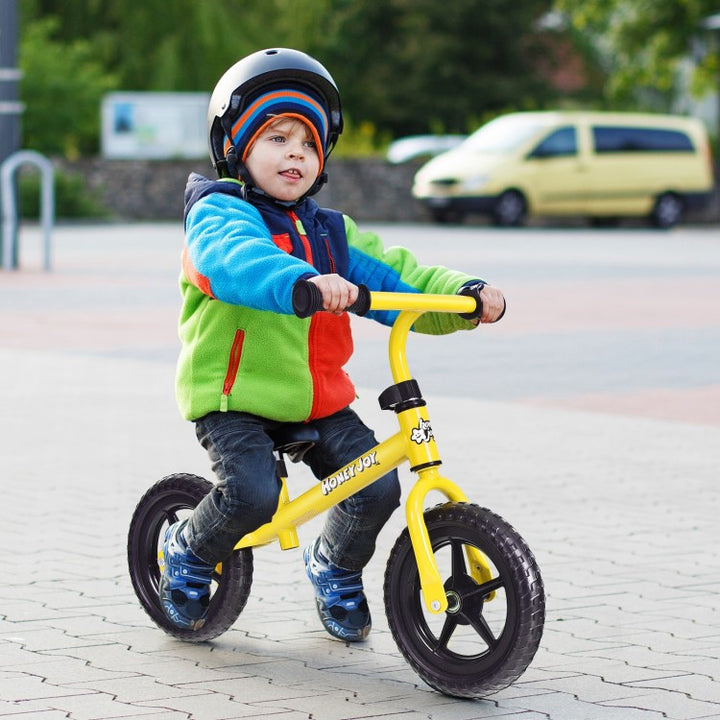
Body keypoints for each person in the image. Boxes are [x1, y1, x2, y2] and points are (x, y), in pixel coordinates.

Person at [159, 48, 505, 641]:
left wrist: (465, 295)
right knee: (251, 493)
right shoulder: (220, 214)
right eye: (278, 137)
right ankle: (186, 550)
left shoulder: (331, 233)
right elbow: (235, 261)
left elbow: (401, 277)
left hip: (317, 398)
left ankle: (334, 565)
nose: (295, 152)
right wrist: (300, 282)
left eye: (308, 144)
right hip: (233, 397)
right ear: (238, 149)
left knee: (376, 486)